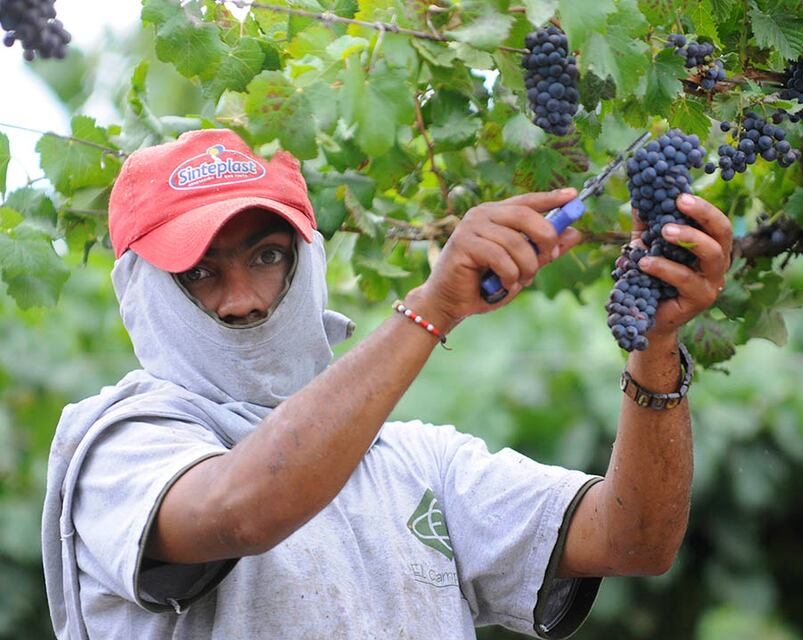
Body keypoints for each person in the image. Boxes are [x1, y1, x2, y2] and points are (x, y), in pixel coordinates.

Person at [41, 128, 732, 639]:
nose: (242, 298)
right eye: (199, 272)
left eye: (267, 256)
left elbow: (635, 540)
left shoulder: (418, 465)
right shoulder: (117, 446)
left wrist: (657, 344)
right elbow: (243, 512)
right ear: (141, 291)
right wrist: (433, 307)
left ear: (305, 266)